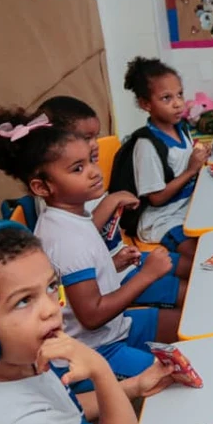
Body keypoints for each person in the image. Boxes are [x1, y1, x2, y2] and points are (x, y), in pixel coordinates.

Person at [0, 108, 183, 384]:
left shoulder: (73, 217)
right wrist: (147, 275)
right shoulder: (64, 238)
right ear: (42, 187)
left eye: (89, 161)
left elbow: (81, 272)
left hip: (117, 328)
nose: (94, 173)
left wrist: (112, 263)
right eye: (78, 169)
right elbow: (92, 315)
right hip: (97, 350)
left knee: (188, 321)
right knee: (175, 378)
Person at [0, 221, 175, 424]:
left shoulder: (23, 360)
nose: (51, 308)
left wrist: (134, 386)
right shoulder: (7, 422)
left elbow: (66, 408)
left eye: (51, 287)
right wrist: (100, 369)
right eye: (23, 301)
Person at [40, 97, 192, 302]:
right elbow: (80, 237)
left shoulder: (82, 179)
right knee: (192, 293)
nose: (94, 145)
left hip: (120, 260)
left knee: (193, 267)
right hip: (114, 281)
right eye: (86, 138)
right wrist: (110, 201)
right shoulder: (58, 194)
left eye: (95, 136)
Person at [122, 57, 204, 259]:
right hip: (162, 220)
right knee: (200, 254)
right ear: (146, 104)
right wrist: (192, 170)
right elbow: (156, 198)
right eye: (166, 98)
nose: (177, 104)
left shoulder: (181, 128)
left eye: (179, 95)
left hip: (187, 207)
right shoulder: (147, 146)